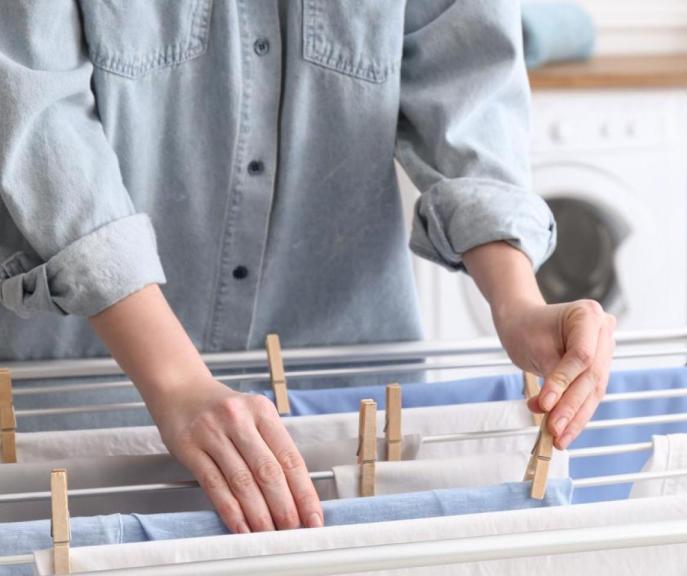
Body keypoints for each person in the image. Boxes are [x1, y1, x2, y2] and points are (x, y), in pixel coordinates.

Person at [0, 1, 615, 534]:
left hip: (349, 387)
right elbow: (35, 113)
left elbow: (466, 75)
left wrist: (518, 302)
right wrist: (176, 381)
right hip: (87, 389)